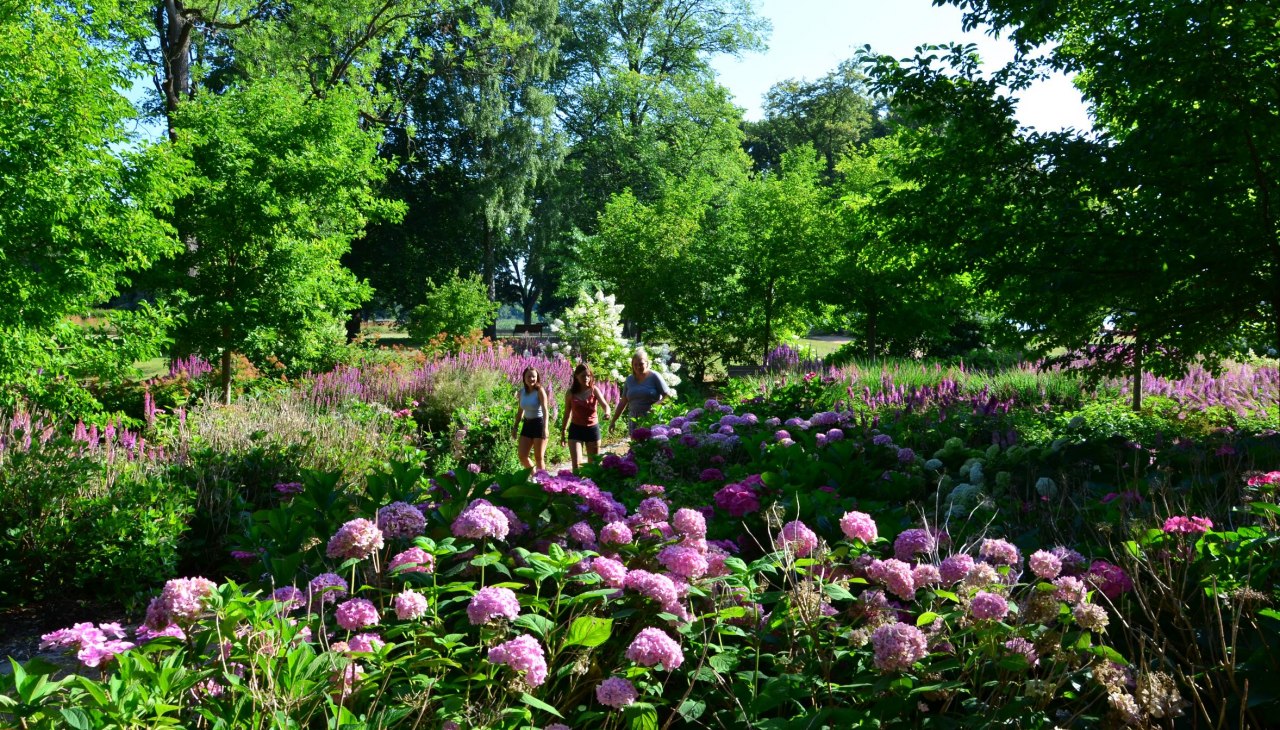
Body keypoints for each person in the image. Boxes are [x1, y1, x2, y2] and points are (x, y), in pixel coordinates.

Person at [559, 363, 612, 472]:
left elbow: (605, 405)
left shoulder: (594, 390)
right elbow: (567, 413)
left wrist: (607, 413)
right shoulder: (570, 393)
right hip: (576, 430)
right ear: (576, 376)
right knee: (576, 465)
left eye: (588, 376)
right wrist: (563, 431)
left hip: (592, 430)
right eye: (583, 376)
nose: (586, 378)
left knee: (593, 465)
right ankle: (576, 487)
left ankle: (591, 487)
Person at [609, 348, 672, 433]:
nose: (638, 367)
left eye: (641, 364)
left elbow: (668, 396)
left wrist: (656, 406)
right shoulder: (629, 380)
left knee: (652, 444)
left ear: (647, 363)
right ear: (632, 365)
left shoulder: (654, 376)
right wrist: (613, 421)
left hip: (651, 418)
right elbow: (623, 402)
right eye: (635, 364)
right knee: (636, 444)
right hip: (634, 419)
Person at [513, 366, 549, 471]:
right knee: (522, 456)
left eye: (533, 376)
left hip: (539, 424)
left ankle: (542, 483)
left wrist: (545, 428)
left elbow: (545, 410)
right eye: (528, 376)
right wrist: (515, 427)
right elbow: (520, 411)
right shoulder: (521, 392)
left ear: (537, 377)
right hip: (527, 425)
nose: (531, 379)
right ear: (524, 378)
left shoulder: (540, 391)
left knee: (539, 458)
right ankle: (535, 476)